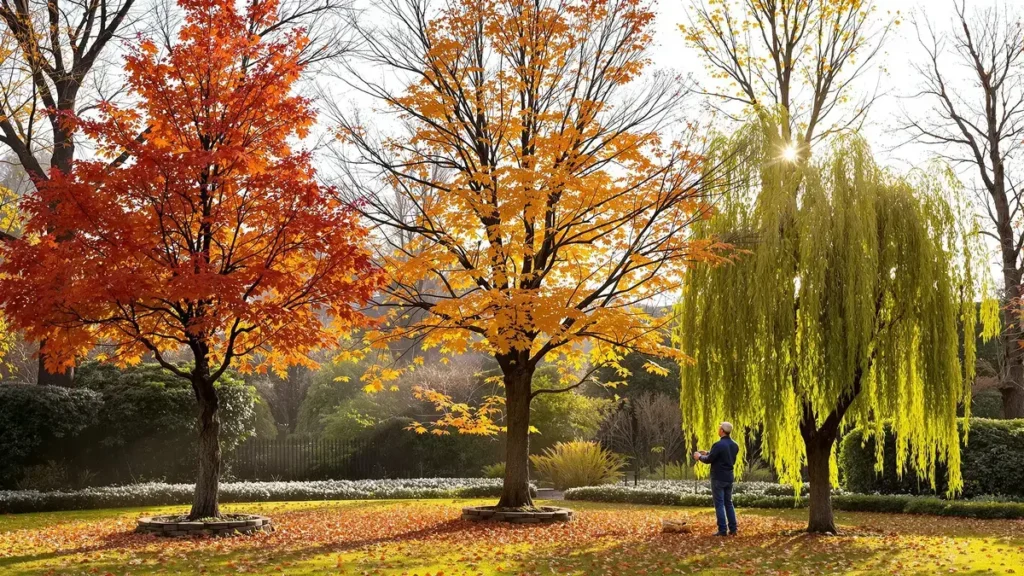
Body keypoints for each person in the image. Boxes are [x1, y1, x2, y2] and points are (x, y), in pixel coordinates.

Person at [693, 421, 740, 536]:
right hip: (729, 477)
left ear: (722, 431)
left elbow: (709, 459)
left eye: (719, 428)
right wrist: (708, 452)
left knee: (719, 504)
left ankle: (722, 530)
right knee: (728, 503)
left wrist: (699, 457)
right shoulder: (735, 445)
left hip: (718, 477)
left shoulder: (718, 445)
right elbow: (723, 456)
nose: (718, 430)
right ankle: (733, 529)